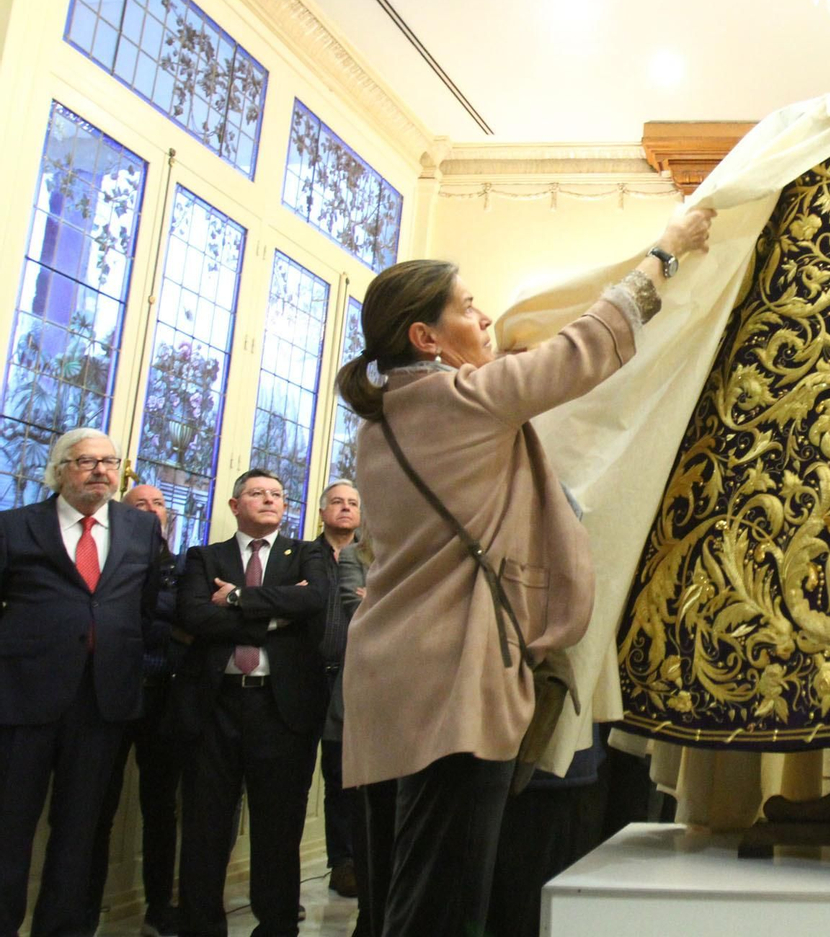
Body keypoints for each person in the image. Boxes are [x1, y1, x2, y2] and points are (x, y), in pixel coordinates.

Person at [338, 206, 712, 936]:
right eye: (468, 308)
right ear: (426, 338)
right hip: (453, 679)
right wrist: (662, 254)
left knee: (404, 882)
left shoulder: (381, 422)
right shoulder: (456, 401)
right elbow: (584, 349)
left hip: (391, 678)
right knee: (443, 899)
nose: (483, 320)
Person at [0, 429, 165, 937]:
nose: (100, 471)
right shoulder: (14, 526)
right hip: (23, 699)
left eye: (109, 462)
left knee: (80, 831)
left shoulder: (140, 529)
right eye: (86, 461)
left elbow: (148, 606)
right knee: (9, 827)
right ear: (59, 470)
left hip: (103, 701)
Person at [171, 469, 331, 937]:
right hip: (212, 708)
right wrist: (275, 617)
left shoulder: (307, 554)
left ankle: (277, 926)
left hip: (282, 711)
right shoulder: (205, 556)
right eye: (257, 493)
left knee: (278, 829)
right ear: (234, 505)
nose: (269, 500)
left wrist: (237, 598)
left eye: (277, 495)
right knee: (205, 826)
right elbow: (194, 615)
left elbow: (315, 601)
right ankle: (200, 926)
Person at [87, 483, 185, 936]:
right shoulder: (111, 558)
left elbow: (187, 612)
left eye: (158, 503)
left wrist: (152, 615)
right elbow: (113, 612)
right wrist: (163, 617)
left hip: (164, 697)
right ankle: (83, 910)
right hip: (109, 693)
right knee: (94, 807)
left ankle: (159, 907)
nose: (150, 510)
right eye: (139, 504)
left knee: (161, 808)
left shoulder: (187, 562)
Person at [311, 480, 363, 900]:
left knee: (343, 777)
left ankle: (345, 863)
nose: (345, 509)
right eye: (337, 503)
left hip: (351, 679)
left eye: (353, 503)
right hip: (307, 676)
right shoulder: (302, 556)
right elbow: (355, 602)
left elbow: (368, 606)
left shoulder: (366, 554)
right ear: (322, 510)